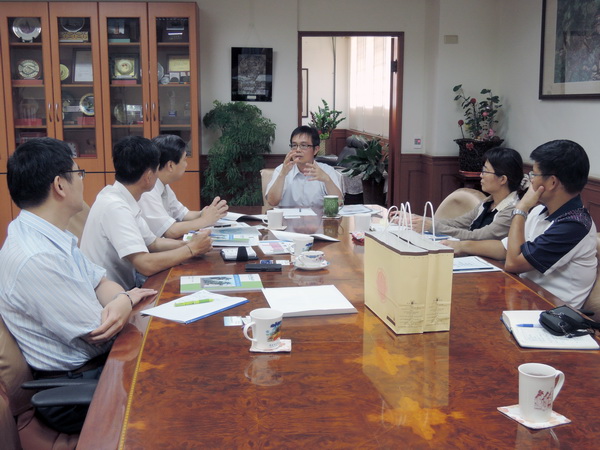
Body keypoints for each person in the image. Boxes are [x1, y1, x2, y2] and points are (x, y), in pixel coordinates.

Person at [0, 138, 156, 432]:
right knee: (173, 388)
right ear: (60, 185)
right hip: (74, 390)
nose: (82, 180)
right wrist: (125, 300)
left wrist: (120, 299)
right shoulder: (35, 257)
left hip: (93, 369)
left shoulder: (50, 235)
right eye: (78, 173)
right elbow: (100, 330)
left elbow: (100, 281)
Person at [444, 140, 597, 308]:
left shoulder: (574, 225)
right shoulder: (541, 211)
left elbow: (513, 263)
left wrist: (521, 209)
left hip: (552, 312)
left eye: (534, 175)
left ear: (552, 182)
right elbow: (505, 248)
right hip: (524, 296)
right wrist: (461, 246)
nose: (530, 181)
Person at [81, 136, 212, 290]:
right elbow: (145, 265)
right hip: (110, 296)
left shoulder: (123, 197)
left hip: (126, 288)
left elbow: (153, 243)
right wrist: (190, 250)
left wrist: (189, 244)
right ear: (149, 176)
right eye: (157, 169)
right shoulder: (115, 207)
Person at [412, 147, 526, 240]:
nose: (481, 175)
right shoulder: (488, 202)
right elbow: (457, 223)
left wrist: (432, 226)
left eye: (485, 171)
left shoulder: (512, 210)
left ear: (502, 179)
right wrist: (416, 218)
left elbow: (477, 237)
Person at [139, 134, 228, 238]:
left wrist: (207, 212)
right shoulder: (147, 190)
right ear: (170, 165)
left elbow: (182, 214)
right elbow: (170, 231)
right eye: (185, 159)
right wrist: (205, 220)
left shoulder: (163, 184)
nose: (186, 164)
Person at [265, 125, 343, 207]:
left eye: (304, 145)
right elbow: (272, 202)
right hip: (288, 215)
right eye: (294, 145)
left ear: (316, 149)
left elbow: (339, 203)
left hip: (318, 215)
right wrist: (282, 175)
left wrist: (327, 180)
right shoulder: (282, 170)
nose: (298, 150)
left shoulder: (327, 171)